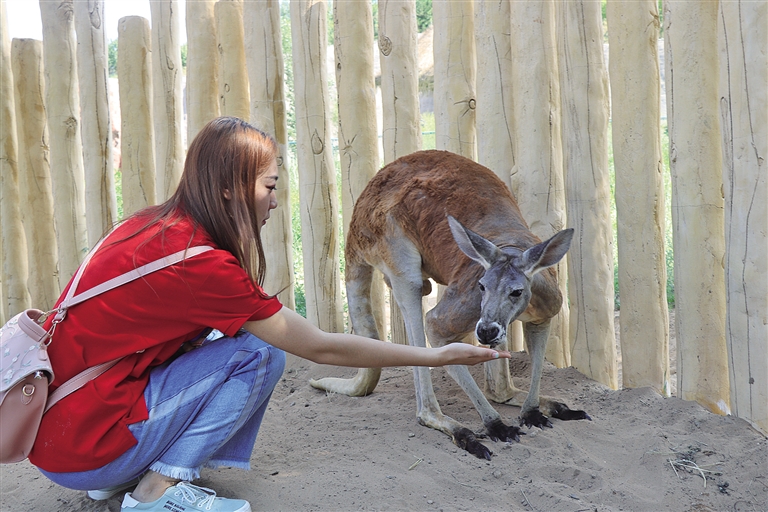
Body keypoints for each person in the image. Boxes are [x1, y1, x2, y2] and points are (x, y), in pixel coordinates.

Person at [29, 117, 509, 512]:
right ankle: (157, 490)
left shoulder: (146, 226)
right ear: (229, 188)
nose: (276, 201)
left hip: (58, 435)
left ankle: (118, 473)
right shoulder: (198, 265)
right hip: (87, 448)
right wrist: (436, 356)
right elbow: (317, 345)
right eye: (269, 185)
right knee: (258, 352)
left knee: (223, 340)